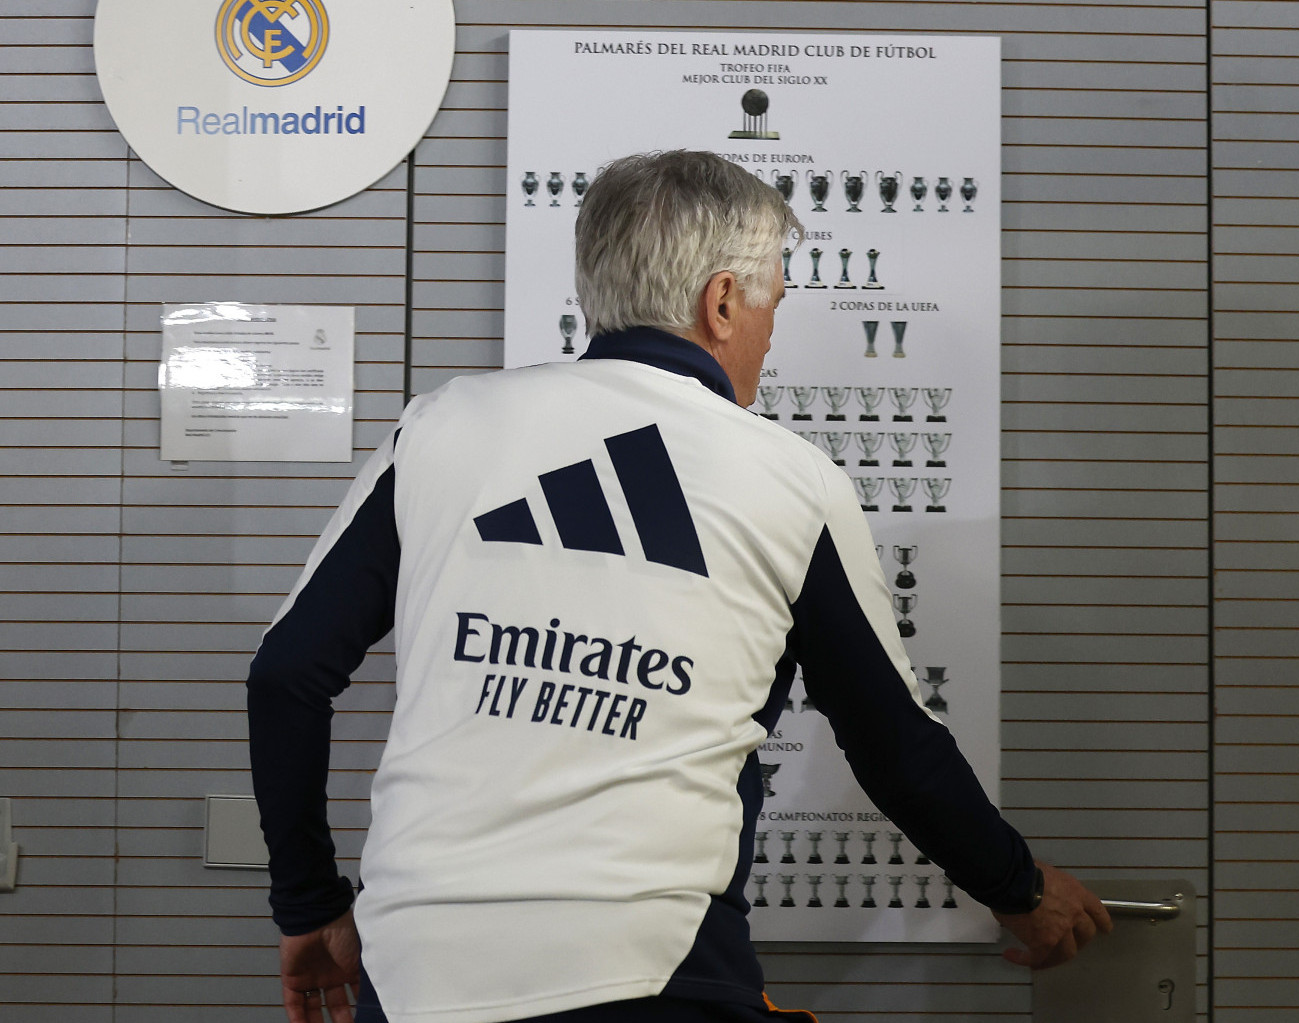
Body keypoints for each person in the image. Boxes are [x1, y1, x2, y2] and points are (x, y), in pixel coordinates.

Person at [247, 149, 1111, 1023]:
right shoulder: (791, 481)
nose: (771, 333)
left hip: (415, 974)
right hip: (651, 971)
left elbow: (286, 675)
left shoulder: (440, 426)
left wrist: (309, 903)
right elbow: (893, 743)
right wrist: (1022, 889)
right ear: (723, 301)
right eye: (774, 302)